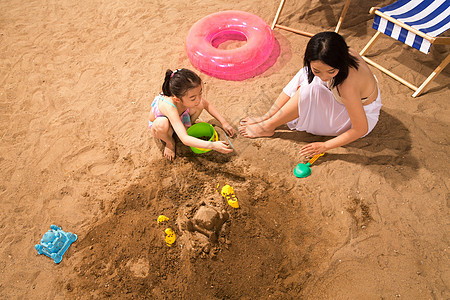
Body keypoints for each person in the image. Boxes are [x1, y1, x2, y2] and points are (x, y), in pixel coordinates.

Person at [239, 31, 382, 158]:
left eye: (331, 71)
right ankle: (268, 116)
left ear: (340, 63)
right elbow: (319, 71)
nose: (324, 77)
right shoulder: (343, 52)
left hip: (361, 117)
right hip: (349, 100)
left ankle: (268, 126)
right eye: (318, 70)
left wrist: (325, 146)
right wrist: (321, 73)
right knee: (306, 73)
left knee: (309, 91)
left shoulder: (347, 86)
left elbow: (360, 129)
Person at [149, 68, 235, 160]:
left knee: (200, 104)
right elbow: (185, 139)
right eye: (193, 98)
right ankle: (169, 142)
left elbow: (206, 104)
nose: (198, 99)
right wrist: (212, 145)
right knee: (162, 124)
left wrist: (224, 123)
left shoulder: (187, 96)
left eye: (200, 93)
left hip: (179, 118)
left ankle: (185, 128)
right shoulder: (169, 107)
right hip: (164, 127)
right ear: (177, 99)